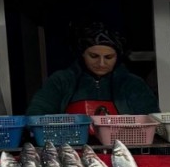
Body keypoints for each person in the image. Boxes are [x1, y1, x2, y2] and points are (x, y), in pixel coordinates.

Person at [26, 24, 159, 116]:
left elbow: (153, 119)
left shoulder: (133, 84)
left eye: (108, 57)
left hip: (123, 148)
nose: (101, 63)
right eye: (94, 56)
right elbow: (36, 115)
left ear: (118, 57)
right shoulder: (62, 80)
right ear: (82, 54)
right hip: (71, 151)